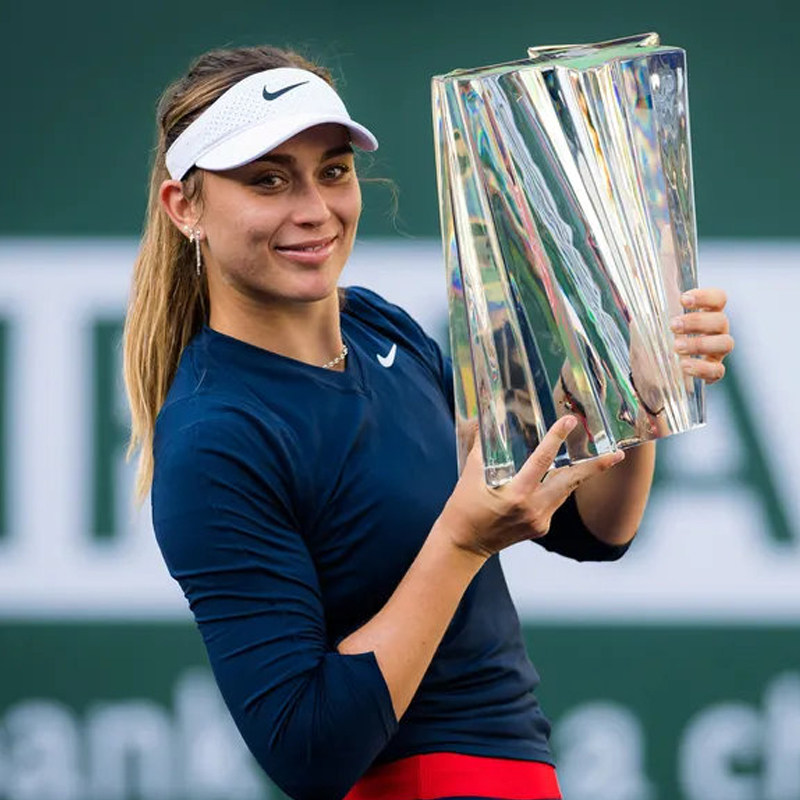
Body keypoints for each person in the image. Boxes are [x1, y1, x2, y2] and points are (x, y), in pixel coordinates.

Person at [123, 45, 734, 800]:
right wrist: (461, 541)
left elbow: (592, 532)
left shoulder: (382, 327)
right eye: (268, 180)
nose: (313, 208)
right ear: (184, 207)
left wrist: (636, 396)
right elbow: (308, 750)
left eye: (333, 171)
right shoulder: (214, 436)